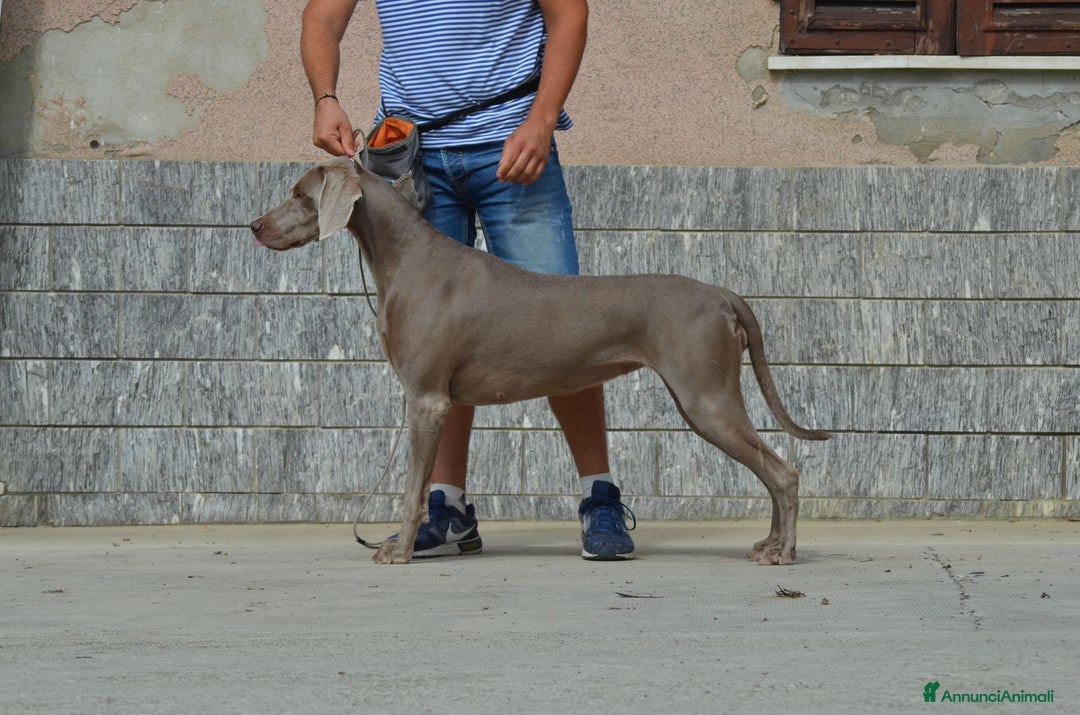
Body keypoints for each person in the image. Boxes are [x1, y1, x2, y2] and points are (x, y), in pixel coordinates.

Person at [301, 0, 635, 560]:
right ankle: (447, 508)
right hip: (412, 157)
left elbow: (568, 15)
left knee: (567, 325)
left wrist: (543, 118)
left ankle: (598, 495)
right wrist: (325, 98)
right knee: (436, 344)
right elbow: (322, 19)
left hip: (512, 143)